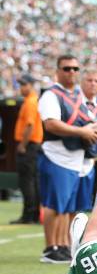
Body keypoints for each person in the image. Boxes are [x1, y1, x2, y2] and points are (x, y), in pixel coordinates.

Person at [38, 55, 97, 263]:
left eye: (75, 68)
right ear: (57, 71)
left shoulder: (77, 95)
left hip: (75, 158)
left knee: (66, 206)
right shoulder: (51, 95)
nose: (72, 72)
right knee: (55, 204)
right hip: (56, 154)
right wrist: (82, 132)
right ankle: (51, 247)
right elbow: (51, 124)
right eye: (67, 68)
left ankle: (63, 245)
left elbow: (91, 119)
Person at [11, 74, 43, 224]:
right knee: (32, 181)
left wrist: (22, 145)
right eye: (21, 84)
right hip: (33, 145)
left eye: (24, 84)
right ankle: (33, 214)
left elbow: (29, 125)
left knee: (27, 181)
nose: (21, 87)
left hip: (29, 145)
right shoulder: (31, 100)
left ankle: (29, 215)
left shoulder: (30, 102)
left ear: (31, 85)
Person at [79, 70, 97, 213]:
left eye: (96, 81)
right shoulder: (75, 101)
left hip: (89, 158)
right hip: (71, 154)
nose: (93, 84)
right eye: (89, 80)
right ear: (82, 82)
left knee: (83, 203)